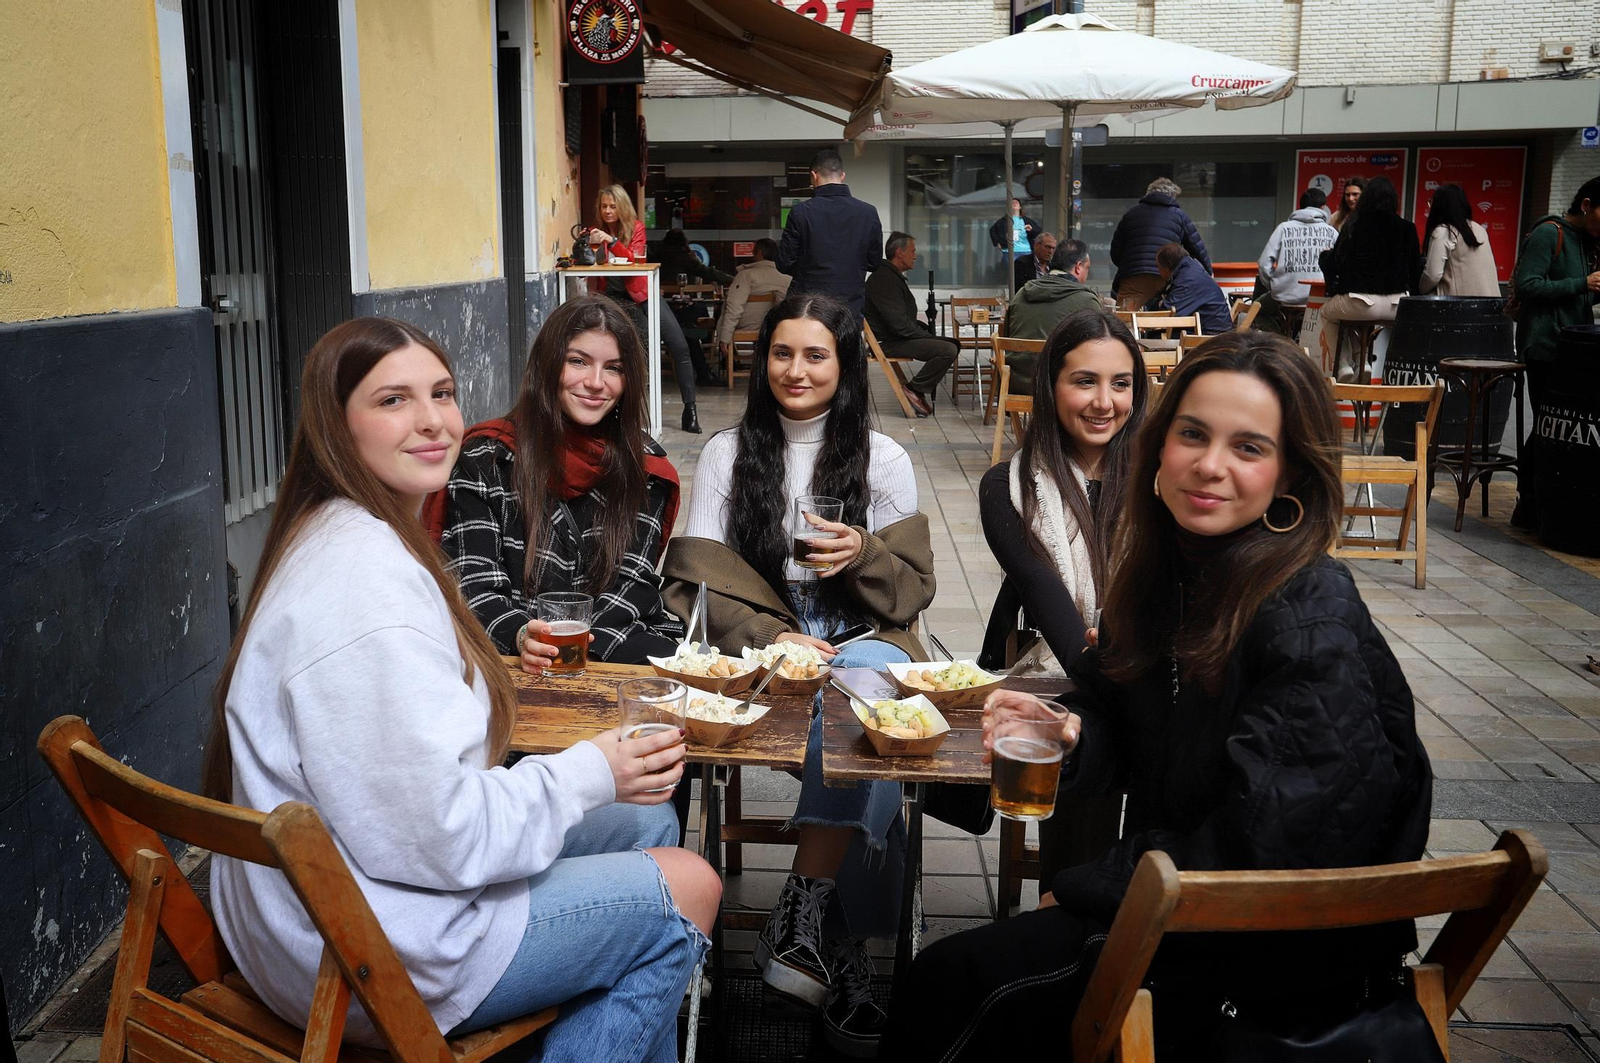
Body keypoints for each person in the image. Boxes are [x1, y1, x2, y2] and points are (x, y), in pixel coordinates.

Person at [881, 330, 1434, 1061]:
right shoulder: (1172, 574)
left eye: (1249, 447)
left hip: (1267, 957)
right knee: (956, 979)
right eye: (1193, 435)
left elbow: (1266, 843)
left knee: (950, 985)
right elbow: (1127, 716)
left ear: (1290, 474)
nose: (1209, 466)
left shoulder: (1305, 608)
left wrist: (1090, 885)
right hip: (1184, 907)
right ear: (1158, 445)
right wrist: (1071, 733)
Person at [205, 317, 720, 1062]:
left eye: (441, 393)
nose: (431, 420)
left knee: (644, 827)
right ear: (333, 423)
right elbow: (446, 835)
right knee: (692, 886)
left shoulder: (334, 530)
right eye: (392, 400)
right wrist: (589, 768)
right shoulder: (370, 593)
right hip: (367, 945)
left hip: (317, 903)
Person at [662, 292, 935, 1056]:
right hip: (758, 654)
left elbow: (912, 593)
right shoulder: (727, 452)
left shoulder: (885, 460)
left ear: (845, 365)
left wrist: (866, 555)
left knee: (871, 695)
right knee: (866, 721)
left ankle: (804, 905)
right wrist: (776, 637)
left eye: (817, 354)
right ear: (762, 361)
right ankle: (841, 952)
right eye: (782, 352)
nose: (796, 368)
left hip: (861, 640)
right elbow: (695, 585)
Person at [979, 309, 1149, 884]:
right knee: (1076, 725)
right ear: (1051, 387)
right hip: (1063, 668)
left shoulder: (1164, 481)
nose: (1105, 402)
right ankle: (1076, 914)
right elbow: (1047, 601)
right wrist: (1116, 696)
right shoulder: (1009, 486)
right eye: (1085, 381)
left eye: (1120, 384)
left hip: (1150, 669)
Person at [432, 294, 684, 669]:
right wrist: (524, 636)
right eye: (578, 362)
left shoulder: (645, 468)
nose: (596, 383)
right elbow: (474, 583)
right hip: (509, 645)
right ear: (548, 366)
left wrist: (577, 646)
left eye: (613, 368)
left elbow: (630, 585)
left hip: (611, 639)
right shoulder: (485, 458)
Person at [1507, 176, 1600, 528]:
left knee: (1560, 426)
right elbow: (1529, 286)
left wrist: (1591, 290)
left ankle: (1538, 501)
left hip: (1572, 347)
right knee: (1548, 425)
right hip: (1544, 345)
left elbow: (1579, 296)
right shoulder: (1550, 232)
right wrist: (1582, 283)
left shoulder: (1584, 241)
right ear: (1587, 205)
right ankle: (1527, 502)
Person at [587, 185, 703, 433]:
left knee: (678, 344)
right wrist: (593, 244)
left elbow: (633, 259)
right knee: (642, 349)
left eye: (612, 206)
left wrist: (613, 241)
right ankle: (634, 412)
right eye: (604, 206)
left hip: (643, 291)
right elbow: (592, 263)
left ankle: (690, 410)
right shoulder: (594, 232)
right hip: (616, 297)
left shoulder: (635, 227)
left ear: (622, 206)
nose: (607, 211)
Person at [1317, 175, 1420, 381]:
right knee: (1358, 321)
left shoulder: (1354, 225)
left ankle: (1346, 363)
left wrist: (1323, 258)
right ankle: (1362, 361)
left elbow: (1335, 263)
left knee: (1327, 314)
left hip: (1360, 301)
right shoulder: (1407, 228)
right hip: (1396, 306)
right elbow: (1416, 269)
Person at [776, 148, 884, 320]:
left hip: (809, 307)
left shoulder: (801, 212)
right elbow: (874, 262)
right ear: (842, 176)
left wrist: (808, 266)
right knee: (846, 346)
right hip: (850, 307)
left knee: (812, 347)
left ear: (814, 175)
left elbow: (784, 263)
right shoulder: (868, 212)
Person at [864, 231, 958, 416]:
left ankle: (917, 389)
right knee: (947, 349)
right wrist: (925, 336)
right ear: (900, 252)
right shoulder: (884, 278)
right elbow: (897, 323)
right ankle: (915, 389)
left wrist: (919, 327)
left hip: (895, 338)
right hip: (888, 343)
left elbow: (897, 317)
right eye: (913, 251)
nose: (916, 256)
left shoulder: (890, 276)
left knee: (952, 344)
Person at [1002, 239, 1103, 396]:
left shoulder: (1022, 293)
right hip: (1058, 388)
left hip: (1016, 383)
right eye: (1087, 268)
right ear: (1078, 267)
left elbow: (1006, 335)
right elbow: (1098, 348)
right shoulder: (1086, 300)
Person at [1109, 177, 1211, 311]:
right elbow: (1196, 247)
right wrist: (1208, 271)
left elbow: (1116, 250)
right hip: (1164, 275)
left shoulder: (1131, 214)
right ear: (1172, 196)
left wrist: (1130, 266)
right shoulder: (1179, 215)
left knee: (1125, 319)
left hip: (1133, 277)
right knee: (1160, 318)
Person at [1255, 188, 1339, 336]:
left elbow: (1263, 264)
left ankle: (1281, 339)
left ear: (1300, 207)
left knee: (1256, 310)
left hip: (1284, 296)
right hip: (1319, 298)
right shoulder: (1331, 232)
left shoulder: (1283, 228)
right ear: (1323, 207)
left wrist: (1273, 286)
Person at [1419, 183, 1499, 297]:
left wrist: (1420, 288)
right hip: (1489, 304)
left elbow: (1433, 275)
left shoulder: (1444, 231)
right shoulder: (1479, 229)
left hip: (1459, 307)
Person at [716, 237, 792, 354]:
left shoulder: (746, 275)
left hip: (746, 324)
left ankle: (733, 363)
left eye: (753, 253)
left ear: (760, 254)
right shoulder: (787, 278)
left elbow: (734, 307)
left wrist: (725, 337)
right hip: (772, 326)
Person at [1156, 242, 1232, 335]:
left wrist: (1159, 303)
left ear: (1167, 267)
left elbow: (1167, 313)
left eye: (1159, 268)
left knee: (1155, 336)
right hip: (1216, 330)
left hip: (1211, 336)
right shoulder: (1191, 269)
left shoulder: (1186, 280)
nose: (1159, 273)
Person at [657, 228, 734, 288]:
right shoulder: (685, 258)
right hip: (682, 299)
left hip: (659, 298)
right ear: (683, 242)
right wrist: (732, 279)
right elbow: (707, 272)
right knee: (700, 307)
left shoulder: (656, 256)